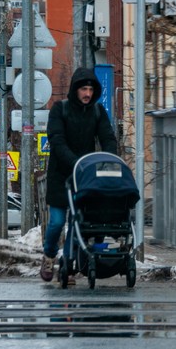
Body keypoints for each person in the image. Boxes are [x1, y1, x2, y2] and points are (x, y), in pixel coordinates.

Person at [40, 67, 117, 282]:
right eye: (84, 89)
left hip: (85, 176)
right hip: (61, 174)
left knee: (77, 222)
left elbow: (108, 137)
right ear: (75, 90)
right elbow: (56, 140)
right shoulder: (59, 110)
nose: (88, 94)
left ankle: (69, 264)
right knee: (56, 222)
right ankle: (49, 255)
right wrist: (75, 163)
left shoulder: (98, 112)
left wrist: (110, 158)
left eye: (91, 89)